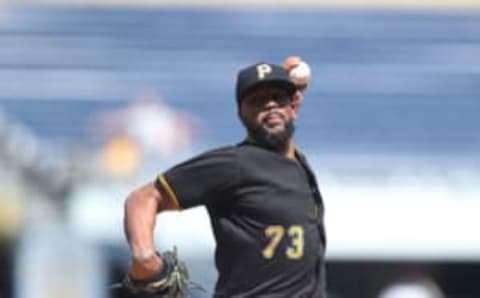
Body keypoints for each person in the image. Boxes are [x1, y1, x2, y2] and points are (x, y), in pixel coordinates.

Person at [123, 61, 326, 297]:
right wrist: (144, 256)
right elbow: (143, 198)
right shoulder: (234, 164)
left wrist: (292, 85)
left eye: (277, 97)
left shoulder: (297, 164)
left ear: (294, 106)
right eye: (257, 101)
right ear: (241, 113)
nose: (269, 105)